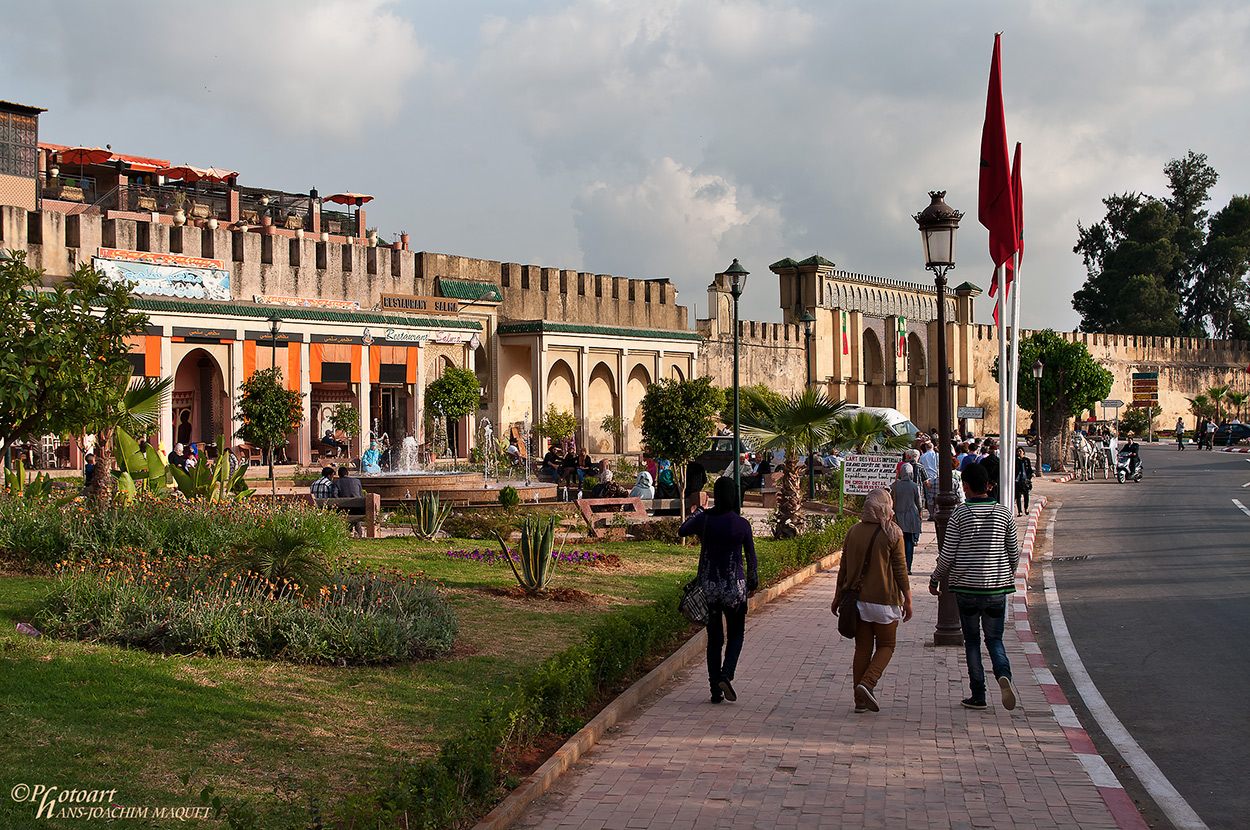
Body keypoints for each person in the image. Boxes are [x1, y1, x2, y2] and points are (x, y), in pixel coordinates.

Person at [929, 462, 1019, 711]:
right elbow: (1013, 552)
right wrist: (1005, 575)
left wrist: (935, 578)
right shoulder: (1004, 513)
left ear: (966, 486)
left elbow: (947, 555)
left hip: (966, 589)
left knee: (972, 642)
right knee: (995, 639)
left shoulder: (959, 514)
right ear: (987, 485)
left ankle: (978, 694)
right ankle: (1003, 674)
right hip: (996, 589)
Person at [832, 488, 913, 713]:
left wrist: (838, 595)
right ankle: (868, 683)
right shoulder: (893, 532)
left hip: (858, 601)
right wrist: (908, 599)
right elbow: (900, 569)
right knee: (887, 645)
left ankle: (859, 701)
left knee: (863, 648)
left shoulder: (853, 531)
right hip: (885, 601)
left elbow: (844, 567)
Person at [680, 476, 758, 704]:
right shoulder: (741, 524)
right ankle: (727, 673)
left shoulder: (704, 520)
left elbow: (682, 531)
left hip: (709, 589)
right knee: (736, 634)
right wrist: (753, 584)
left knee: (714, 640)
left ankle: (715, 690)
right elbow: (751, 559)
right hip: (734, 589)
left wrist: (698, 511)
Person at [891, 464, 923, 574]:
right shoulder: (914, 486)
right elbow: (919, 502)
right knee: (909, 541)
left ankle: (897, 565)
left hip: (898, 516)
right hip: (911, 515)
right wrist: (920, 512)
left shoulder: (894, 486)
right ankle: (907, 567)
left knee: (897, 543)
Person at [1014, 446, 1034, 516]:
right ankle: (1019, 511)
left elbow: (1030, 470)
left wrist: (1030, 477)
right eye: (1018, 452)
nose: (1019, 453)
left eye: (1020, 451)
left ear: (1023, 452)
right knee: (1018, 496)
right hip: (1018, 480)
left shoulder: (1026, 460)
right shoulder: (1015, 461)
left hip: (1025, 480)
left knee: (1026, 495)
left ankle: (1026, 508)